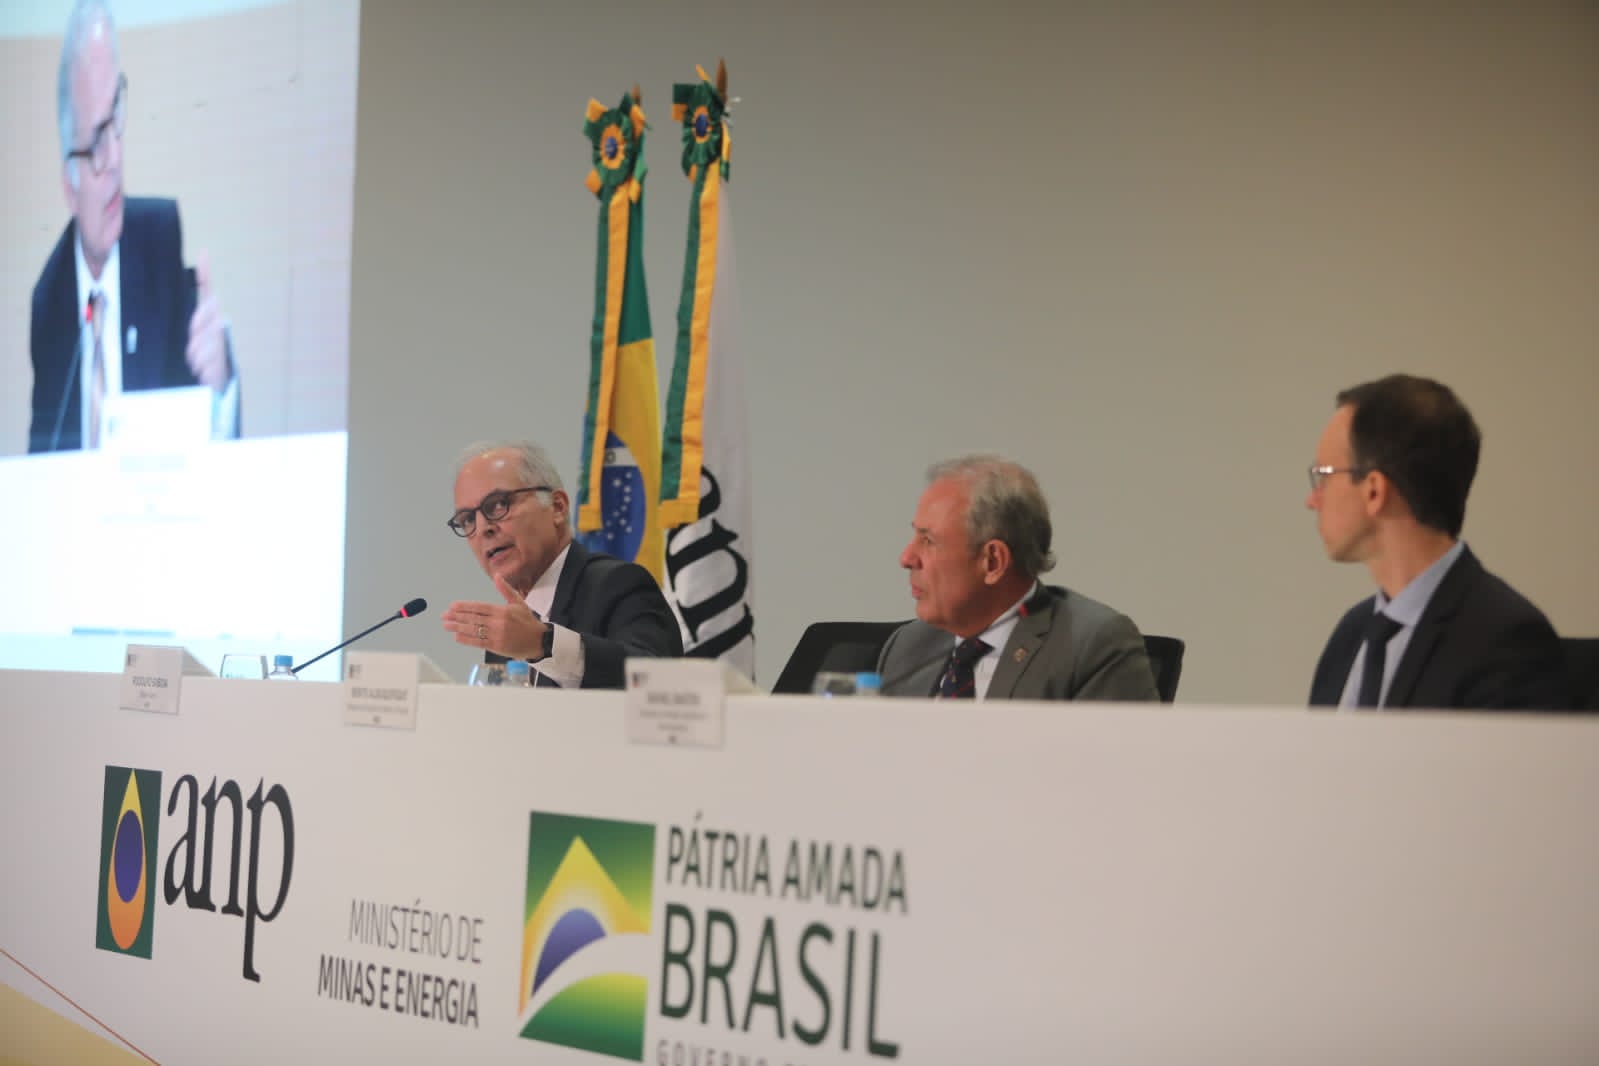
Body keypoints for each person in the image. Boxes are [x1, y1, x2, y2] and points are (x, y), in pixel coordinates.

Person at [29, 0, 239, 454]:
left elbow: (207, 445)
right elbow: (44, 459)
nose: (115, 159)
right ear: (69, 185)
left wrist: (220, 386)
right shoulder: (49, 304)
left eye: (115, 118)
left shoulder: (159, 245)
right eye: (95, 142)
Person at [1305, 374, 1570, 711]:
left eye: (1324, 476)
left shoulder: (1506, 639)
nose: (1312, 500)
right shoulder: (1351, 634)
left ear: (1374, 491)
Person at [877, 455, 1160, 701]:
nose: (906, 558)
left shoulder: (1092, 645)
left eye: (928, 541)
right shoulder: (909, 646)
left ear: (993, 562)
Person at [441, 441, 683, 688]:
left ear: (557, 507)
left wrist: (543, 644)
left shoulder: (619, 585)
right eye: (467, 519)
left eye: (498, 504)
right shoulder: (509, 630)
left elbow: (657, 682)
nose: (483, 528)